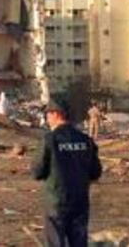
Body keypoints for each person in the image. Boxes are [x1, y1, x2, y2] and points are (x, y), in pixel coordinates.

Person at [31, 99, 102, 247]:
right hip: (80, 201)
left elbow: (37, 172)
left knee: (56, 242)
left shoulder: (50, 139)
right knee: (79, 242)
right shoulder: (85, 140)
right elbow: (96, 172)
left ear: (56, 114)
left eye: (47, 114)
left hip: (56, 201)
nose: (46, 118)